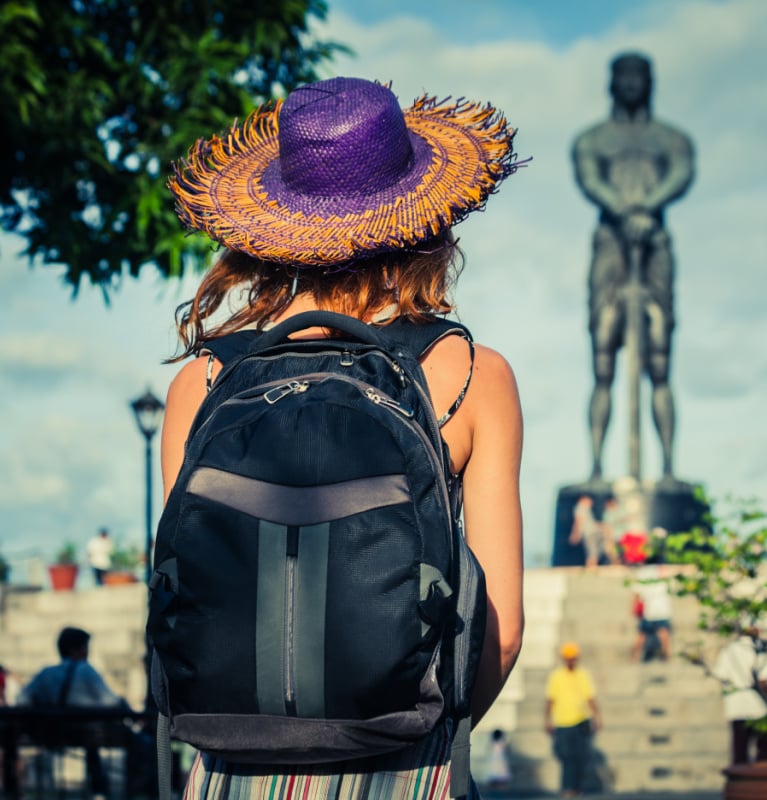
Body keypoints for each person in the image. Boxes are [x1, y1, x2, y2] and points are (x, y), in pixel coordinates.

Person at [160, 76, 525, 798]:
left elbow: (186, 595)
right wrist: (423, 738)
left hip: (233, 766)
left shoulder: (200, 383)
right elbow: (501, 631)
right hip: (408, 764)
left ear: (272, 228)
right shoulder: (469, 373)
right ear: (426, 217)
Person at [572, 52, 694, 483]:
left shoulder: (670, 138)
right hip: (611, 245)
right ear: (612, 82)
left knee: (659, 358)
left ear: (649, 82)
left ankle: (667, 468)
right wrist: (624, 209)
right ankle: (597, 467)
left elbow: (680, 173)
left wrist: (647, 205)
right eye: (623, 76)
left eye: (638, 76)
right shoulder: (593, 139)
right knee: (603, 354)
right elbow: (590, 179)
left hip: (654, 244)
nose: (630, 84)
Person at [16, 627, 131, 796]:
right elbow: (110, 700)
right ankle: (109, 790)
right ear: (76, 649)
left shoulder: (47, 673)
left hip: (56, 732)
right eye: (85, 647)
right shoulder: (86, 670)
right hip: (88, 733)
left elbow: (23, 699)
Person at [713, 628, 767, 765]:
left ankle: (742, 782)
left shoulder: (729, 649)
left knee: (740, 752)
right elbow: (764, 680)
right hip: (759, 708)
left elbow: (721, 676)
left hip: (737, 707)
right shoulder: (759, 649)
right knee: (765, 752)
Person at [545, 642, 601, 799]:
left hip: (581, 721)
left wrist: (597, 717)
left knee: (581, 757)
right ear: (564, 659)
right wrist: (547, 720)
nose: (571, 661)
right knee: (567, 757)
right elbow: (550, 700)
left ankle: (576, 787)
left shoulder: (582, 674)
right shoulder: (556, 676)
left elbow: (590, 698)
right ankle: (567, 788)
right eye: (568, 658)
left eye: (573, 658)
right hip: (562, 723)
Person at [630, 564, 672, 661]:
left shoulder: (643, 572)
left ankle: (633, 657)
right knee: (663, 633)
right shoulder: (663, 570)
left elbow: (636, 592)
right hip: (662, 608)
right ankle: (666, 657)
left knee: (642, 634)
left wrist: (633, 607)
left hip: (648, 609)